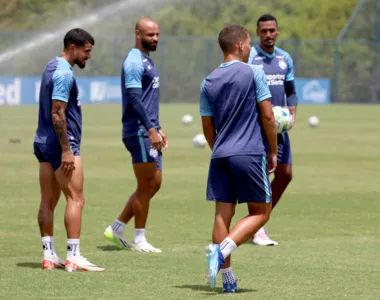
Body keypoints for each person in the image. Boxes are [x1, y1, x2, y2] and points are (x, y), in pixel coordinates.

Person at [201, 25, 278, 292]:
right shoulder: (253, 72)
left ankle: (228, 281)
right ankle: (220, 251)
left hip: (220, 154)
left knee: (222, 217)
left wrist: (220, 148)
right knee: (261, 213)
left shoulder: (208, 81)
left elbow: (207, 127)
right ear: (241, 46)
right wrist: (274, 150)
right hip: (248, 152)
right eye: (248, 44)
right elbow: (268, 116)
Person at [33, 28, 104, 272]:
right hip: (61, 143)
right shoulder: (64, 74)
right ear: (72, 47)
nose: (88, 57)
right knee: (76, 198)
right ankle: (74, 256)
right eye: (86, 51)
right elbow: (57, 112)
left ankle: (49, 255)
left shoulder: (51, 66)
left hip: (42, 141)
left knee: (48, 200)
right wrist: (66, 150)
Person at [103, 18, 166, 253]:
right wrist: (150, 129)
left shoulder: (146, 60)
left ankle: (117, 227)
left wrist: (157, 128)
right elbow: (135, 98)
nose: (155, 38)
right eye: (150, 34)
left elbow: (147, 101)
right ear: (137, 34)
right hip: (139, 132)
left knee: (154, 183)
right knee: (146, 184)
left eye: (157, 34)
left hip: (149, 130)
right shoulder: (133, 61)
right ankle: (139, 239)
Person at [249, 14, 298, 246]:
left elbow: (291, 88)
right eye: (263, 31)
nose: (268, 34)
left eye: (272, 30)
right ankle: (258, 226)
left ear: (277, 31)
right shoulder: (250, 57)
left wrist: (292, 111)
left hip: (279, 127)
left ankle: (259, 219)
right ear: (258, 33)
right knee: (261, 176)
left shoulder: (284, 58)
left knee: (285, 174)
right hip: (257, 126)